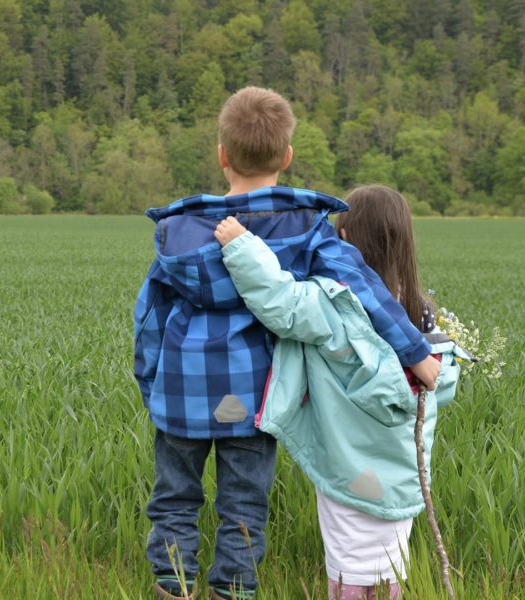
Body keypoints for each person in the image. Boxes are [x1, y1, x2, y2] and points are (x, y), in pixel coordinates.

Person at [133, 89, 441, 600]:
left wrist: (152, 385)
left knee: (174, 497)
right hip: (256, 396)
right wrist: (415, 352)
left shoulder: (179, 233)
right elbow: (365, 289)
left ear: (222, 155)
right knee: (244, 503)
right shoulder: (305, 228)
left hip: (181, 392)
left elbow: (149, 318)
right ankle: (233, 589)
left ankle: (174, 583)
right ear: (288, 157)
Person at [213, 185, 464, 600]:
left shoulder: (337, 303)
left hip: (348, 465)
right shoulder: (420, 311)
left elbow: (281, 300)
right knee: (388, 568)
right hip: (402, 471)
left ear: (343, 240)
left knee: (350, 567)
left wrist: (241, 245)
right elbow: (432, 387)